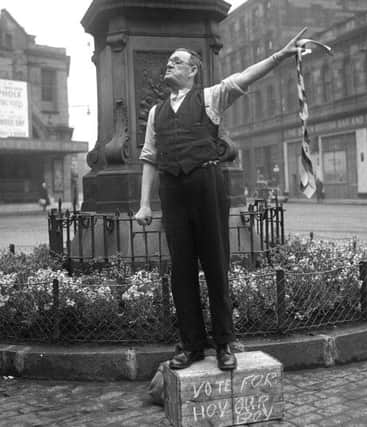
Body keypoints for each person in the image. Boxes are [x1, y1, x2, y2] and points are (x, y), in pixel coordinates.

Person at [134, 28, 309, 371]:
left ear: (193, 70)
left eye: (177, 61)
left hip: (207, 184)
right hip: (172, 190)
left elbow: (246, 77)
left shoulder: (212, 96)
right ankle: (191, 345)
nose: (169, 65)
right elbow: (149, 157)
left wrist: (280, 55)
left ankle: (224, 344)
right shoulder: (156, 113)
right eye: (168, 62)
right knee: (181, 270)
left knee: (216, 265)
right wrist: (144, 204)